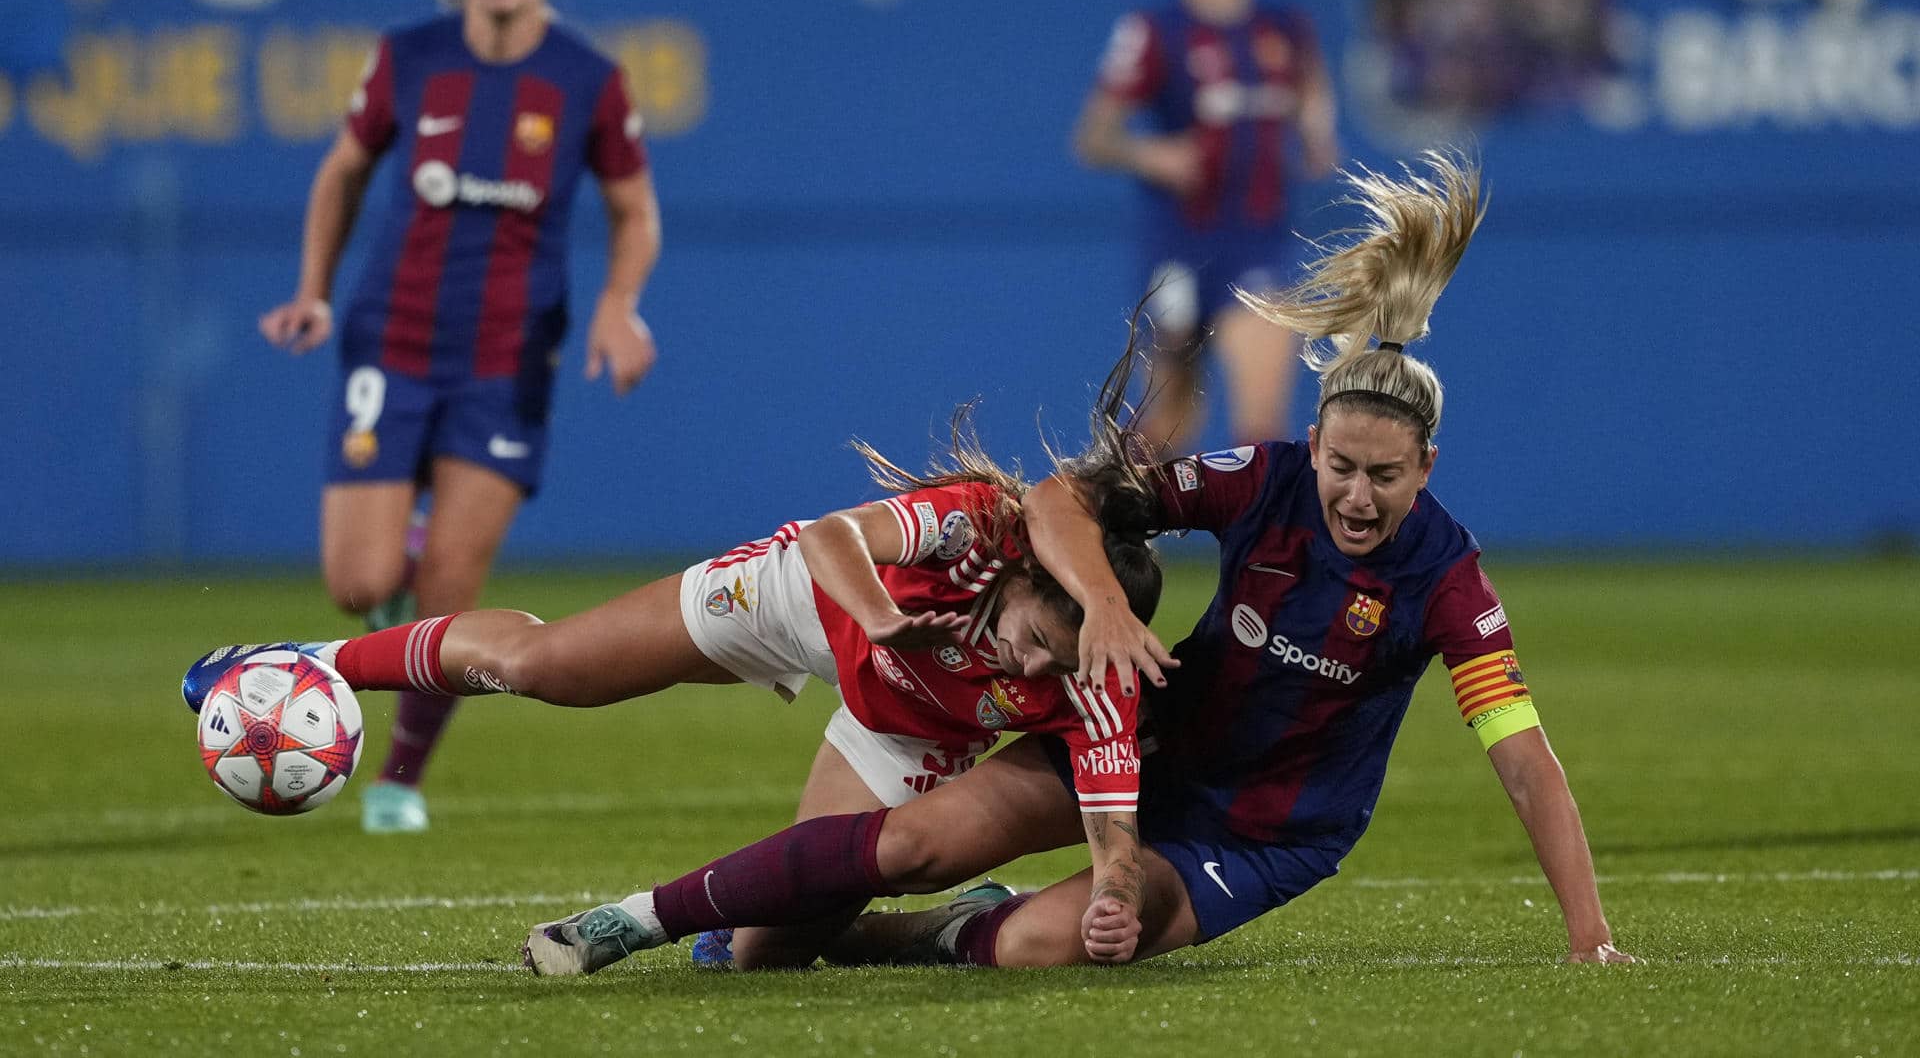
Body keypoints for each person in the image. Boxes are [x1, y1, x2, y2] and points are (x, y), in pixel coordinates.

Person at [511, 152, 1633, 973]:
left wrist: (1590, 939)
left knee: (1057, 942)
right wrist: (1100, 602)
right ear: (1319, 439)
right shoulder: (1270, 479)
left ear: (1426, 468)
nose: (1353, 493)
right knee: (902, 844)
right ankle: (657, 918)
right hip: (1143, 740)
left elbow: (1523, 758)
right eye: (1342, 463)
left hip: (1263, 832)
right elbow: (1062, 497)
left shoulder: (1448, 582)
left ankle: (924, 935)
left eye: (1384, 478)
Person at [182, 382, 1163, 970]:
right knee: (544, 665)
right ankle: (302, 660)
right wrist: (881, 619)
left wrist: (1115, 889)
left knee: (766, 951)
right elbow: (830, 537)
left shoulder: (1095, 672)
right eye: (1038, 633)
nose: (1030, 663)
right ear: (1039, 574)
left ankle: (945, 922)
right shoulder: (978, 527)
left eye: (1052, 662)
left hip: (904, 721)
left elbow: (1112, 823)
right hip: (809, 600)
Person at [255, 0, 663, 834]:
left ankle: (400, 777)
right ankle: (392, 552)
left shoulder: (587, 79)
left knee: (448, 587)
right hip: (389, 341)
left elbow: (635, 207)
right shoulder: (407, 58)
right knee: (359, 586)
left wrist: (618, 304)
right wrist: (312, 289)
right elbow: (344, 169)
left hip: (508, 358)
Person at [1074, 0, 1338, 458]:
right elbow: (1093, 136)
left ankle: (1256, 550)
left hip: (1258, 243)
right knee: (1163, 430)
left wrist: (1317, 133)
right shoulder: (1154, 31)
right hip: (1177, 244)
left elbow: (1312, 90)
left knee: (1262, 427)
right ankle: (1119, 541)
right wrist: (1151, 153)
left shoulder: (1285, 27)